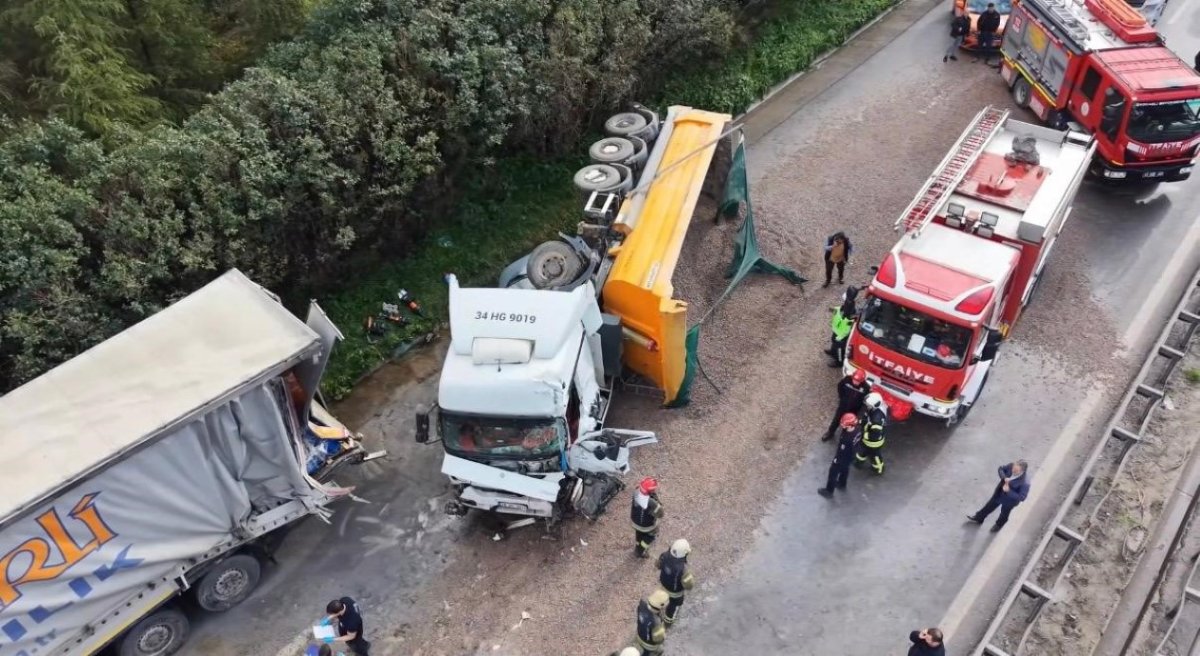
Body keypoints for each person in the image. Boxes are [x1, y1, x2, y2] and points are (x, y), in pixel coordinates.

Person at [967, 460, 1031, 532]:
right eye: (1013, 468)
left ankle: (999, 524)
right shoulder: (1011, 465)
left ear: (1022, 471)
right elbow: (1001, 469)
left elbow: (1022, 497)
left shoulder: (1025, 483)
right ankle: (979, 517)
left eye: (1016, 471)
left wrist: (1008, 491)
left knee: (1004, 513)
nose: (1012, 471)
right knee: (989, 506)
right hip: (999, 493)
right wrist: (1004, 477)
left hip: (1009, 501)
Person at [819, 413, 861, 498]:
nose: (843, 426)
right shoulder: (857, 430)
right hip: (851, 456)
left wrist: (836, 460)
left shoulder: (847, 439)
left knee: (833, 472)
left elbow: (842, 452)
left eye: (844, 425)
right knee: (845, 469)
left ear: (849, 426)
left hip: (842, 458)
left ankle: (829, 491)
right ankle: (842, 483)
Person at [656, 539, 696, 626]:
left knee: (661, 599)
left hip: (663, 585)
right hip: (676, 593)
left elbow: (658, 565)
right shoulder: (683, 569)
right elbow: (689, 585)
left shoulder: (664, 555)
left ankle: (656, 612)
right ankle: (668, 621)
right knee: (674, 605)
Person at [823, 369, 871, 441]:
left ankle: (845, 437)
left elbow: (865, 400)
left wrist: (860, 412)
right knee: (836, 419)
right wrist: (842, 397)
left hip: (854, 409)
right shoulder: (847, 379)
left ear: (862, 381)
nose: (855, 382)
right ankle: (830, 432)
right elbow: (840, 386)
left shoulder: (866, 387)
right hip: (843, 405)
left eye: (858, 381)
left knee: (850, 424)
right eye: (854, 380)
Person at [631, 477, 665, 558]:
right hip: (647, 527)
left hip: (634, 522)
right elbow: (660, 514)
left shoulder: (636, 492)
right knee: (650, 536)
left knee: (638, 534)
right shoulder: (652, 503)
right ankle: (640, 551)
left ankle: (637, 545)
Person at [826, 286, 859, 368]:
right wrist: (833, 310)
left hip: (843, 333)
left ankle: (839, 362)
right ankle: (833, 352)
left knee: (840, 348)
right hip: (837, 329)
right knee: (834, 340)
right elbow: (839, 311)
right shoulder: (846, 305)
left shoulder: (851, 309)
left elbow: (851, 319)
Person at [854, 393, 887, 475]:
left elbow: (874, 435)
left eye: (869, 405)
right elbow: (867, 419)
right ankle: (859, 462)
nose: (867, 406)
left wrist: (864, 434)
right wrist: (861, 422)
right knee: (862, 451)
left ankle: (879, 469)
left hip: (873, 443)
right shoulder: (874, 410)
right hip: (867, 440)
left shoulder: (877, 420)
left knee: (875, 456)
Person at [636, 590, 669, 655]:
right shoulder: (657, 622)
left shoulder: (642, 604)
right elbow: (659, 639)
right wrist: (663, 636)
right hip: (649, 644)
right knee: (651, 651)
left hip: (640, 634)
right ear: (661, 606)